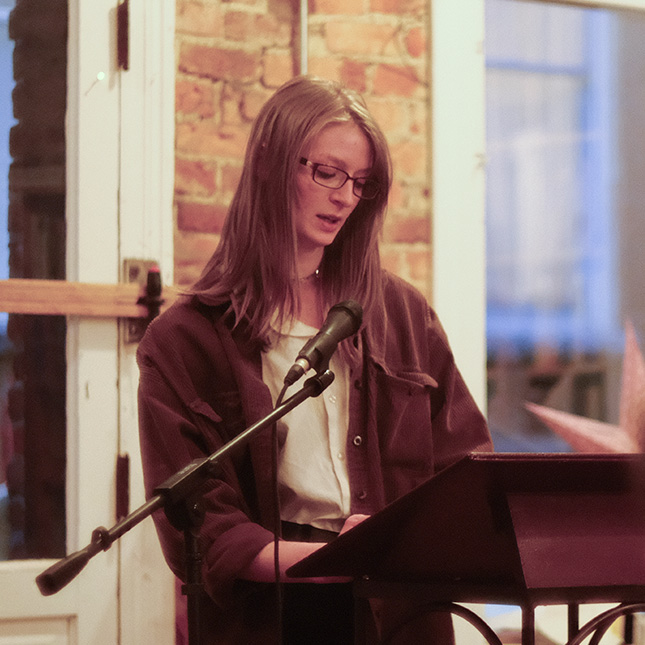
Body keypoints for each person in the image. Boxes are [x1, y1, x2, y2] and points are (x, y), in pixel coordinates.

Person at [137, 75, 493, 644]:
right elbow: (202, 529)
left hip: (398, 610)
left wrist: (406, 543)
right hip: (271, 614)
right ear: (271, 166)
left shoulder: (400, 313)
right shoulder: (183, 340)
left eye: (360, 183)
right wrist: (320, 559)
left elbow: (467, 468)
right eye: (327, 173)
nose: (345, 197)